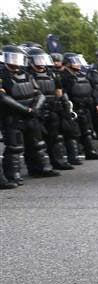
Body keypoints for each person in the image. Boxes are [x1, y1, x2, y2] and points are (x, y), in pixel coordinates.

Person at [1, 45, 60, 185]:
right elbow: (3, 98)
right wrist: (25, 110)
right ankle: (12, 175)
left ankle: (41, 168)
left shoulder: (27, 74)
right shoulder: (2, 75)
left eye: (18, 58)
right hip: (12, 116)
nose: (15, 61)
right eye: (12, 58)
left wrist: (35, 108)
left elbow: (39, 94)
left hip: (31, 114)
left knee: (37, 143)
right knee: (14, 147)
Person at [26, 47, 76, 170]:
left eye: (42, 59)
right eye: (38, 59)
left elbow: (59, 90)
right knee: (36, 141)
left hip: (52, 108)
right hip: (37, 109)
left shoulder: (51, 73)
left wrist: (63, 105)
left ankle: (57, 161)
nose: (41, 62)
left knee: (55, 138)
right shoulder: (28, 74)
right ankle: (37, 167)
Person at [59, 52, 98, 160]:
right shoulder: (63, 77)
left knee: (87, 131)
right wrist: (67, 108)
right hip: (72, 108)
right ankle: (73, 156)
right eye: (75, 62)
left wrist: (96, 104)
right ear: (67, 63)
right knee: (73, 133)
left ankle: (90, 152)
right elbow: (62, 93)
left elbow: (91, 91)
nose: (78, 64)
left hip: (85, 107)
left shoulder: (82, 75)